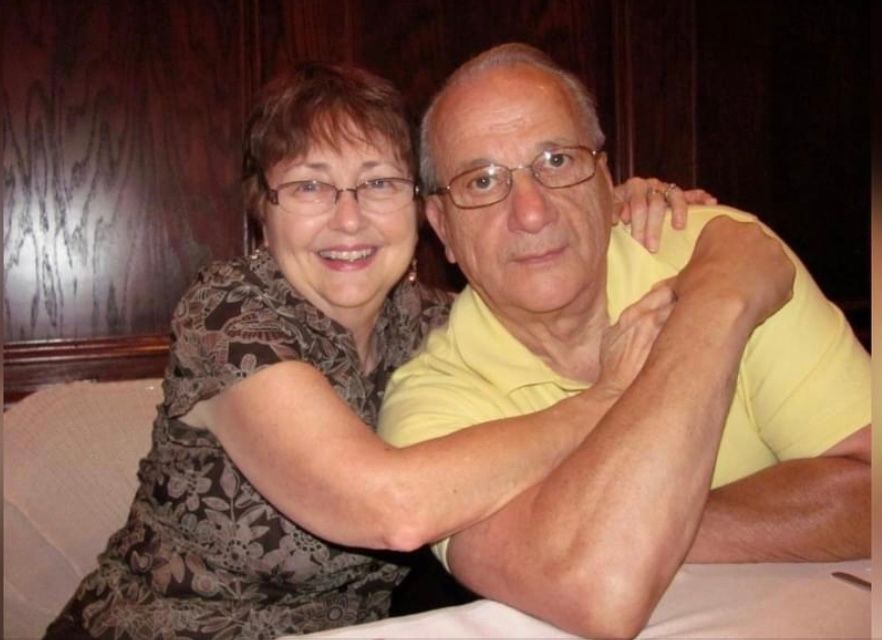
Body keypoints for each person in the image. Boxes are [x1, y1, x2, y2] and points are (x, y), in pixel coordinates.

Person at [44, 62, 712, 639]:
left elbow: (550, 279)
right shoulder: (229, 315)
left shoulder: (435, 326)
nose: (349, 218)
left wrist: (618, 210)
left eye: (379, 183)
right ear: (263, 213)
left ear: (423, 211)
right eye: (309, 186)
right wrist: (604, 399)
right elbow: (390, 509)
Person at [378, 43, 870, 637]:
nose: (531, 212)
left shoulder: (717, 247)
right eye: (482, 181)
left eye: (557, 160)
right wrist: (715, 310)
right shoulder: (431, 403)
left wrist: (624, 531)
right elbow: (594, 588)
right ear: (443, 228)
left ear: (605, 180)